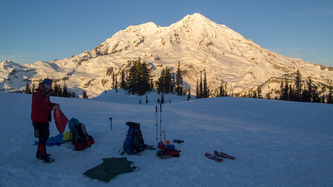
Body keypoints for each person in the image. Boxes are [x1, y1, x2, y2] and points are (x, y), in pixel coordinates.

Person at [31, 78, 60, 163]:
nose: (48, 86)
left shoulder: (44, 94)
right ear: (43, 84)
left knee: (44, 136)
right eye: (47, 85)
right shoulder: (38, 94)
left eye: (49, 85)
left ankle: (39, 154)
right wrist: (51, 108)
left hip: (44, 118)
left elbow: (47, 104)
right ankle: (43, 156)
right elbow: (38, 106)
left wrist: (55, 105)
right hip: (39, 119)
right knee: (43, 137)